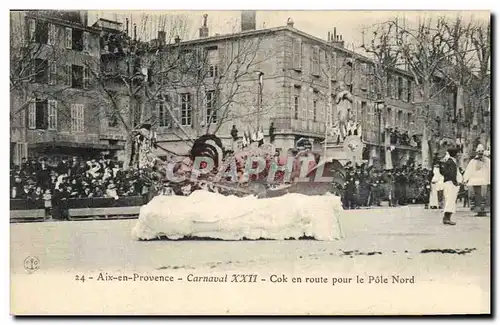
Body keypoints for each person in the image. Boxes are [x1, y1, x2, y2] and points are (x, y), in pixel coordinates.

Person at [463, 143, 491, 216]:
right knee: (475, 196)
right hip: (474, 180)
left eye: (482, 151)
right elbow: (469, 170)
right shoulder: (473, 161)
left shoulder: (487, 161)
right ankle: (477, 210)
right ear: (477, 152)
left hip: (484, 180)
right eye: (479, 151)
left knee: (484, 196)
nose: (480, 153)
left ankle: (484, 210)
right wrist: (466, 179)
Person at [440, 147, 461, 226]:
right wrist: (455, 182)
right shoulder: (451, 162)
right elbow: (452, 174)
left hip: (448, 182)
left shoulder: (448, 161)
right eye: (457, 153)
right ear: (455, 154)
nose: (458, 155)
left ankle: (447, 218)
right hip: (450, 183)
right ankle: (447, 218)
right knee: (450, 200)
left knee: (450, 200)